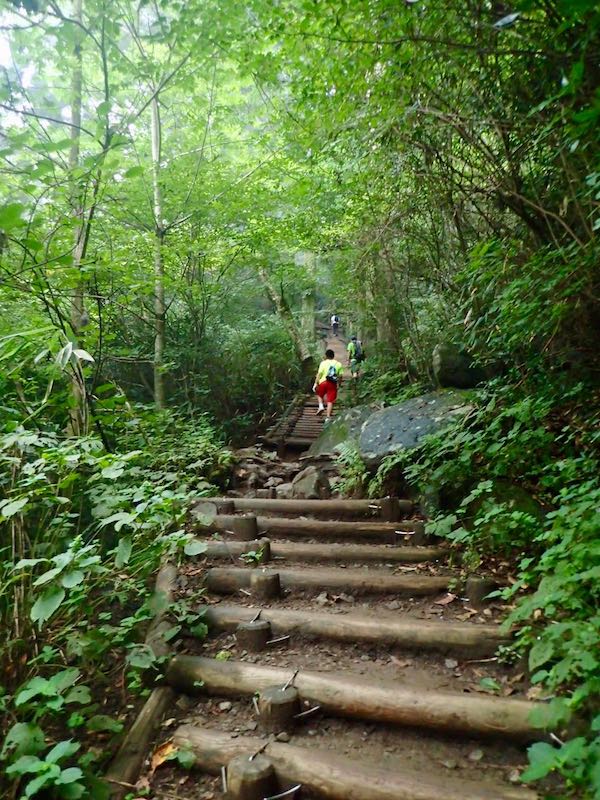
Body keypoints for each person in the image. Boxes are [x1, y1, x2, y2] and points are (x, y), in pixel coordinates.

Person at [313, 348, 343, 420]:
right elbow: (340, 376)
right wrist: (339, 384)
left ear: (326, 356)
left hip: (323, 382)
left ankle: (321, 406)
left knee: (319, 394)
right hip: (332, 383)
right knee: (330, 401)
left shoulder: (323, 363)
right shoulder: (338, 364)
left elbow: (319, 374)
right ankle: (328, 417)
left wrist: (315, 383)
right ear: (333, 356)